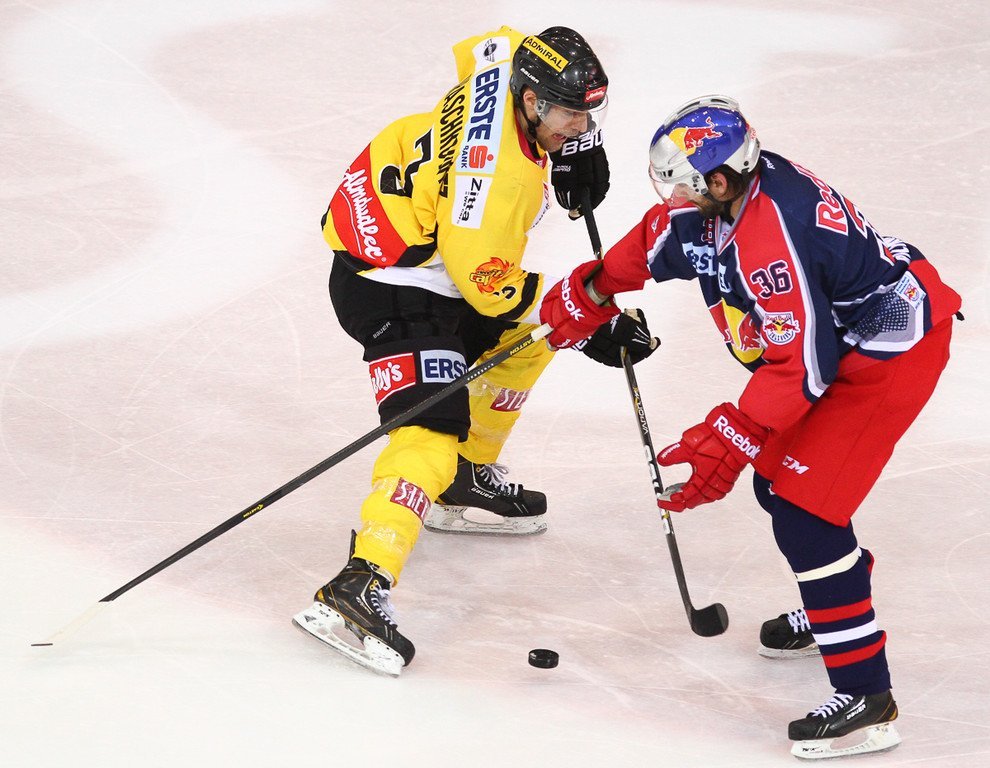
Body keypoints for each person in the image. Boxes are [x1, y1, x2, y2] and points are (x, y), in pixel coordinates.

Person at [540, 95, 962, 758]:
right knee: (777, 486)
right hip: (846, 341)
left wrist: (733, 435)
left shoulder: (772, 238)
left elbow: (804, 367)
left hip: (889, 353)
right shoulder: (729, 197)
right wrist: (592, 289)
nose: (675, 196)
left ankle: (866, 697)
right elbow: (662, 237)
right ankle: (836, 602)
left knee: (805, 515)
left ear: (718, 180)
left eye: (685, 184)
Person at [293, 26, 655, 676]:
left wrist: (577, 147)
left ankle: (461, 479)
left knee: (530, 342)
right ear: (533, 102)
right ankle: (360, 583)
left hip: (407, 231)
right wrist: (587, 315)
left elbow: (488, 42)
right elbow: (488, 289)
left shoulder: (509, 63)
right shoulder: (498, 187)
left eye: (589, 115)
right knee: (430, 428)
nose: (580, 126)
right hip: (391, 285)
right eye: (571, 116)